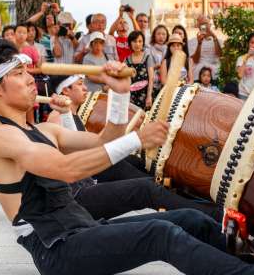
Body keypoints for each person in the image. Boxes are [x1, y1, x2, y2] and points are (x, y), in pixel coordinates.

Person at [0, 39, 254, 275]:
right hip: (57, 250)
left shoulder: (43, 130)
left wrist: (122, 94)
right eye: (18, 73)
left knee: (189, 218)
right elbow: (64, 168)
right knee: (160, 233)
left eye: (28, 70)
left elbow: (103, 141)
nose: (30, 79)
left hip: (81, 229)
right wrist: (135, 141)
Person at [45, 74, 220, 220]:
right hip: (77, 195)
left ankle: (199, 205)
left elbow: (96, 143)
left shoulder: (68, 114)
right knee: (146, 187)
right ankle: (210, 215)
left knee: (140, 166)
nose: (85, 89)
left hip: (88, 182)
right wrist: (135, 139)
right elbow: (80, 156)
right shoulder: (56, 117)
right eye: (80, 84)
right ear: (65, 90)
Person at [124, 30, 154, 110]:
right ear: (130, 43)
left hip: (145, 94)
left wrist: (149, 96)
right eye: (134, 41)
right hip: (131, 96)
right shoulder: (126, 60)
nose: (137, 44)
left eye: (140, 41)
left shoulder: (148, 57)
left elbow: (151, 79)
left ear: (143, 43)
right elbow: (125, 80)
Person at [189, 15, 223, 81]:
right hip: (198, 71)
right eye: (202, 24)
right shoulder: (192, 41)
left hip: (215, 70)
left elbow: (220, 55)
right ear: (198, 26)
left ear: (210, 25)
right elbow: (195, 60)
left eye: (206, 23)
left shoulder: (219, 40)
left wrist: (214, 38)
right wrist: (199, 43)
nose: (204, 26)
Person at [149, 25, 169, 98]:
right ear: (154, 35)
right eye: (158, 34)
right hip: (153, 82)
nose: (161, 36)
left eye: (163, 34)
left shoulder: (169, 49)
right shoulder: (149, 49)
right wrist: (155, 66)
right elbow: (147, 66)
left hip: (166, 82)